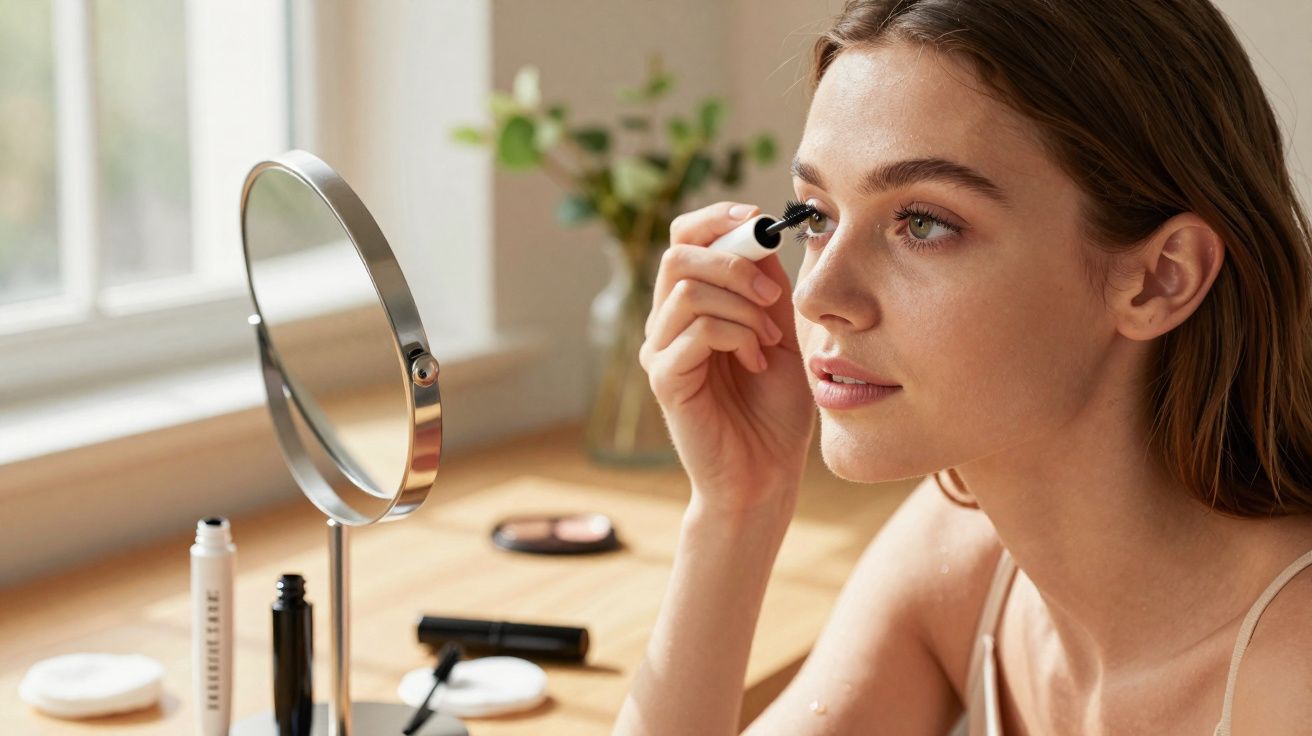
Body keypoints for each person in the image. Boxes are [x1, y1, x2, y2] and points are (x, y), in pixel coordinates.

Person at [611, 0, 1312, 734]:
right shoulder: (965, 554)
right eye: (815, 215)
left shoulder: (1292, 678)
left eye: (923, 223)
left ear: (1160, 278)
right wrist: (737, 507)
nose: (816, 294)